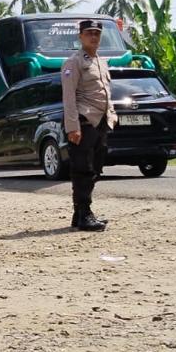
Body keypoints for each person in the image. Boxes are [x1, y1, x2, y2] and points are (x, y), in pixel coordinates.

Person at [61, 19, 117, 232]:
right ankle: (85, 214)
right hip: (84, 122)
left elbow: (105, 91)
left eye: (97, 33)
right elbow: (68, 97)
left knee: (96, 168)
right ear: (80, 36)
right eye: (89, 33)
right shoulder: (73, 62)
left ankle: (80, 214)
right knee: (82, 169)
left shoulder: (101, 62)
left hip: (101, 122)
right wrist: (72, 127)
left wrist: (112, 115)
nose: (93, 37)